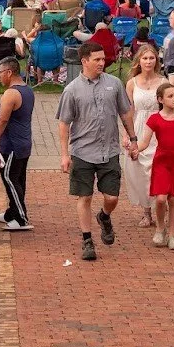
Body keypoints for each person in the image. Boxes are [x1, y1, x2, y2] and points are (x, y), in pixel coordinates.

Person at [57, 40, 136, 262]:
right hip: (82, 152)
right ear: (84, 61)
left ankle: (104, 216)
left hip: (109, 150)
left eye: (103, 59)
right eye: (97, 59)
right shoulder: (71, 90)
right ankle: (87, 239)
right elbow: (64, 124)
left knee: (111, 197)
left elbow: (125, 112)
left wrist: (133, 139)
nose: (102, 63)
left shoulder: (114, 84)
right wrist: (64, 155)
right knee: (85, 196)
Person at [133, 82, 174, 250]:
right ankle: (161, 228)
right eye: (170, 96)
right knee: (160, 199)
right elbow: (145, 142)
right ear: (160, 100)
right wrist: (135, 149)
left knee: (173, 199)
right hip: (161, 162)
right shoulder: (154, 119)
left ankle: (173, 235)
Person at [0, 56, 35, 231]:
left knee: (10, 178)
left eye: (0, 73)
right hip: (24, 143)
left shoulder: (11, 94)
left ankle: (21, 218)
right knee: (19, 179)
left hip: (13, 145)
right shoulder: (27, 90)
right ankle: (12, 212)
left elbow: (2, 120)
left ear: (9, 72)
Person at [122, 45, 163, 228]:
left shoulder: (163, 82)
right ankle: (146, 212)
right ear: (139, 61)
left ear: (156, 61)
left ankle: (160, 205)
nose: (148, 62)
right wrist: (126, 134)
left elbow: (168, 106)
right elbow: (128, 110)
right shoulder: (132, 83)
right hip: (138, 127)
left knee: (157, 169)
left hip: (157, 128)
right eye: (145, 58)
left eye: (151, 58)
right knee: (138, 171)